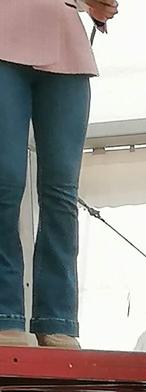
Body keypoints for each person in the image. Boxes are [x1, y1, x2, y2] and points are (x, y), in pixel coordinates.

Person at [0, 0, 115, 348]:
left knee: (61, 193)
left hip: (68, 51)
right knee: (5, 184)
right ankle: (6, 314)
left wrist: (97, 6)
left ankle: (58, 319)